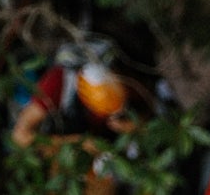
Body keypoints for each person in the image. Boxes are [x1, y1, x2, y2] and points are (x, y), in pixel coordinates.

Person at [12, 45, 140, 195]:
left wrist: (134, 129)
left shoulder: (127, 82)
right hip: (65, 154)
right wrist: (78, 142)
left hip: (106, 163)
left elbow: (151, 118)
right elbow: (20, 137)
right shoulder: (59, 83)